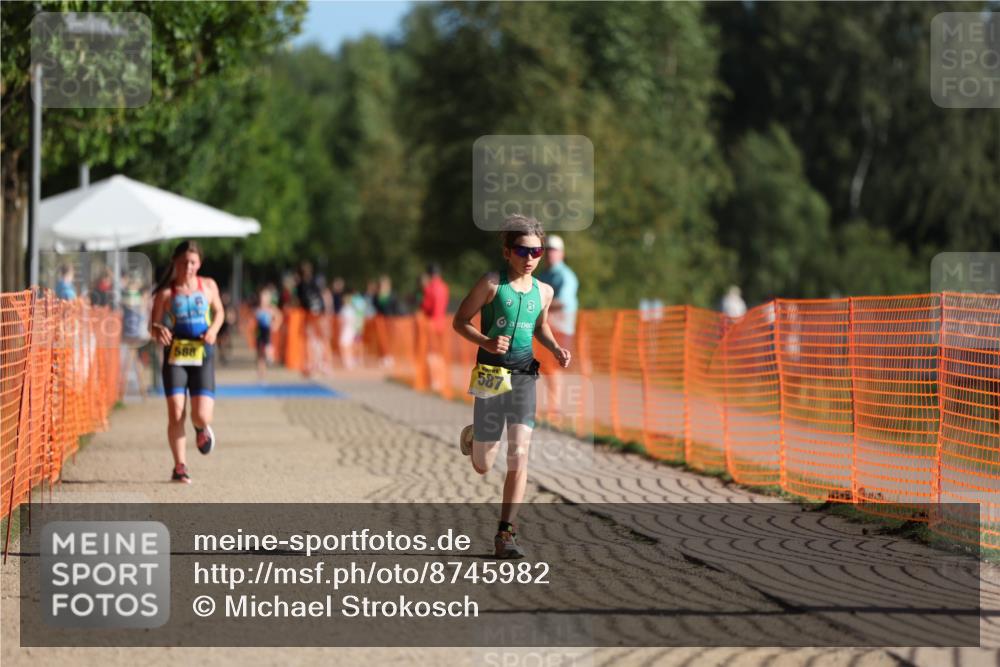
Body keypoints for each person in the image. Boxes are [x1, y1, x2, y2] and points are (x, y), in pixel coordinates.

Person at [452, 215, 571, 558]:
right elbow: (459, 321)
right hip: (490, 374)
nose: (531, 257)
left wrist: (555, 348)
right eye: (523, 250)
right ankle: (476, 436)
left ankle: (506, 534)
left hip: (523, 376)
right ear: (507, 252)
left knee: (519, 453)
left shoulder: (544, 291)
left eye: (537, 251)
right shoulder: (491, 284)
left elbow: (541, 326)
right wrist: (487, 342)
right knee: (483, 465)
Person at [149, 240, 223, 484]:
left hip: (203, 353)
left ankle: (201, 429)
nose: (188, 267)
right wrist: (158, 330)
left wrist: (213, 329)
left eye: (192, 262)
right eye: (183, 262)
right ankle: (179, 466)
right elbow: (153, 325)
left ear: (199, 263)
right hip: (176, 355)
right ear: (175, 263)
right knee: (176, 413)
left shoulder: (209, 285)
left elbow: (220, 312)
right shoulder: (166, 293)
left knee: (201, 415)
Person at [421, 263, 450, 391]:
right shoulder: (444, 286)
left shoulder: (429, 288)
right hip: (442, 322)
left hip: (431, 323)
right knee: (440, 353)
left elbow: (427, 306)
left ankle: (434, 381)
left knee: (431, 353)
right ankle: (442, 379)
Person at [254, 285, 283, 380]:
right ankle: (261, 373)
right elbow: (253, 320)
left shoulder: (271, 309)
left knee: (267, 346)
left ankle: (270, 355)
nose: (263, 300)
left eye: (265, 298)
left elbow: (279, 317)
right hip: (259, 332)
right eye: (262, 298)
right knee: (259, 355)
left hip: (267, 332)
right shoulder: (258, 309)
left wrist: (276, 325)